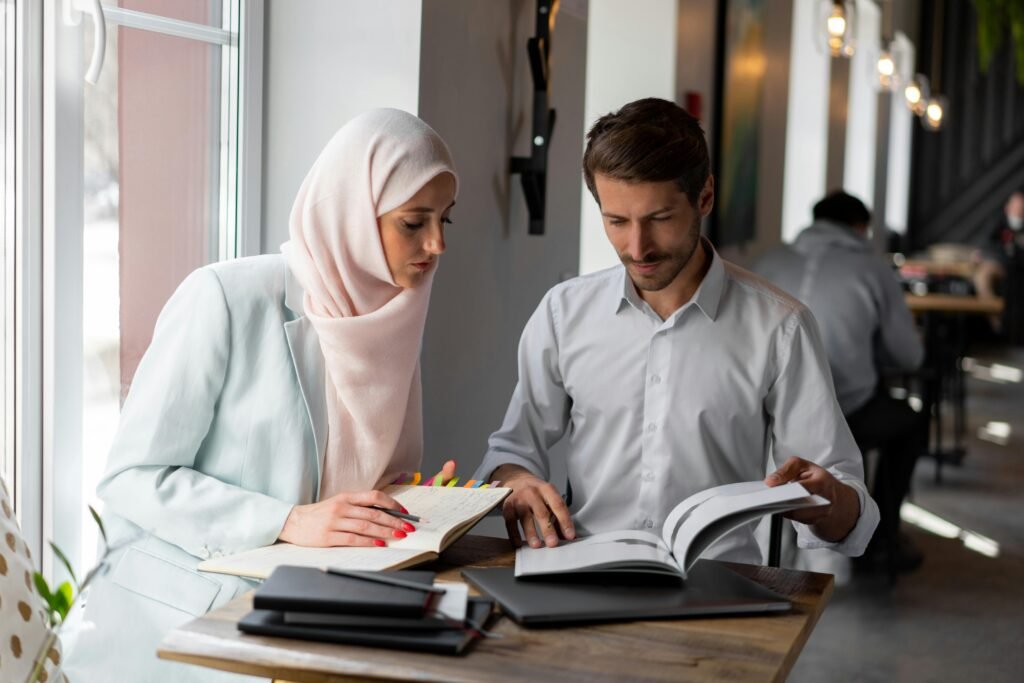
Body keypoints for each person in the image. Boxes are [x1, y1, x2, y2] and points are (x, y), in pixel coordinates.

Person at [64, 109, 459, 682]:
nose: (437, 243)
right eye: (413, 222)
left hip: (325, 605)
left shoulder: (391, 316)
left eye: (447, 219)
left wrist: (406, 499)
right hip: (191, 620)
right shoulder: (225, 296)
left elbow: (347, 484)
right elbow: (131, 478)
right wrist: (286, 520)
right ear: (351, 213)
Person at [474, 98, 878, 567]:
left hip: (718, 588)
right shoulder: (564, 313)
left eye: (659, 219)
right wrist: (517, 482)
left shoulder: (780, 326)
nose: (637, 247)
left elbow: (848, 512)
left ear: (704, 197)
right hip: (583, 576)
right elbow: (510, 449)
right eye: (616, 221)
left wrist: (827, 496)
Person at [753, 190, 926, 573]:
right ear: (859, 228)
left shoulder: (768, 259)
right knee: (911, 424)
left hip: (763, 416)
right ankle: (881, 539)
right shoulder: (874, 268)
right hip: (850, 408)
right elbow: (908, 355)